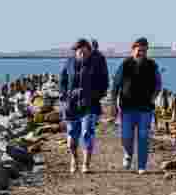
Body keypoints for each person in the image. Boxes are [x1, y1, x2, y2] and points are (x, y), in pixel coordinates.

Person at [112, 37, 162, 173]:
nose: (141, 53)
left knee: (143, 137)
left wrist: (153, 97)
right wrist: (113, 104)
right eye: (139, 50)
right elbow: (116, 84)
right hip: (127, 107)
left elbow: (158, 84)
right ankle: (128, 154)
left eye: (144, 51)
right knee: (126, 136)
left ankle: (142, 166)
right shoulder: (125, 64)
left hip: (145, 108)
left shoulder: (152, 65)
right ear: (133, 50)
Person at [59, 38, 109, 173]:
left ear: (89, 51)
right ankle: (74, 159)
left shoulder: (97, 62)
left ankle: (86, 164)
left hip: (90, 104)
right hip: (71, 105)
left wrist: (96, 95)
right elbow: (62, 81)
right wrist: (65, 96)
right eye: (79, 52)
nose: (82, 54)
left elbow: (104, 81)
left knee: (87, 132)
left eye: (85, 52)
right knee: (72, 136)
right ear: (75, 52)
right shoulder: (69, 63)